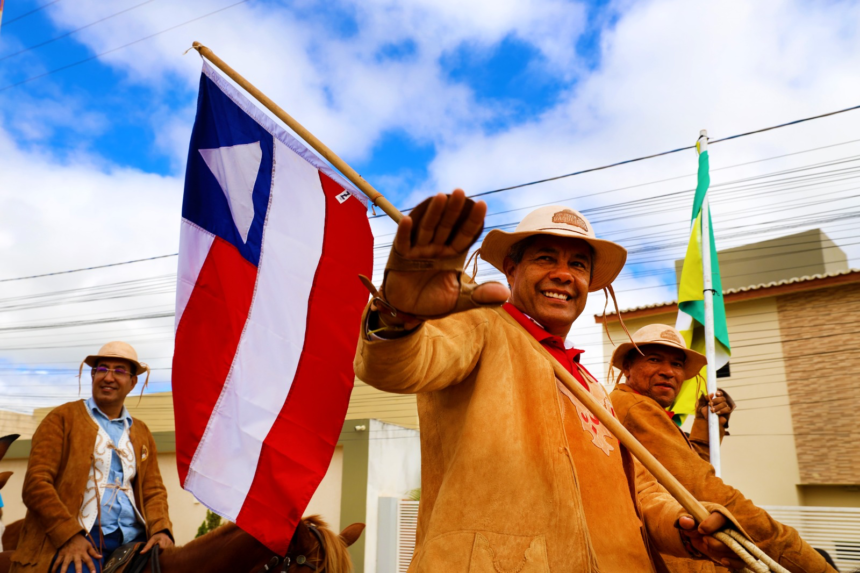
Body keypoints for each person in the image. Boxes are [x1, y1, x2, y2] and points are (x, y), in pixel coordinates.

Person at [355, 191, 747, 572]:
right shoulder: (479, 324)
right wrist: (399, 315)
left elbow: (641, 493)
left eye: (578, 264)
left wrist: (685, 525)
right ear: (511, 269)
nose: (563, 274)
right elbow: (400, 367)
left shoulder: (594, 388)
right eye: (545, 258)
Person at [609, 324, 837, 573]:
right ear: (627, 367)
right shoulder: (635, 406)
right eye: (654, 359)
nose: (668, 372)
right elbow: (699, 488)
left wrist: (707, 422)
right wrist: (795, 551)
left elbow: (683, 470)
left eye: (677, 364)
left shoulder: (637, 406)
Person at [11, 342, 173, 573]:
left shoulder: (141, 432)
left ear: (132, 383)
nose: (108, 377)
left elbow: (153, 490)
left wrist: (161, 530)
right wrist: (69, 535)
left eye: (119, 371)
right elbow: (36, 485)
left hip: (134, 538)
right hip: (77, 536)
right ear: (93, 375)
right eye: (102, 369)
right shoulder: (61, 418)